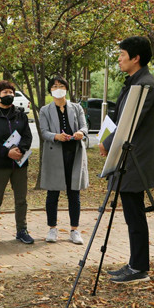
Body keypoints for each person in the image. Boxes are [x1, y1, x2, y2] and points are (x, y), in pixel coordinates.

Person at [100, 36, 154, 284]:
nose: (118, 58)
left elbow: (130, 124)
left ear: (135, 57)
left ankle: (139, 268)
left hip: (136, 162)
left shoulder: (146, 86)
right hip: (130, 159)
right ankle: (135, 263)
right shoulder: (136, 83)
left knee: (135, 214)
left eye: (122, 54)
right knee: (132, 213)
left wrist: (108, 145)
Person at [39, 75, 89, 245]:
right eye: (54, 86)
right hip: (55, 155)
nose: (58, 88)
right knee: (52, 194)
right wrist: (56, 136)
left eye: (61, 85)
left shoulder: (76, 108)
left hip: (73, 154)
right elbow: (44, 132)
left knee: (74, 194)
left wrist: (81, 133)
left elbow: (84, 126)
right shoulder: (45, 110)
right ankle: (52, 229)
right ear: (50, 90)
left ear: (66, 89)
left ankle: (74, 230)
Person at [0, 80, 34, 244]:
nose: (9, 95)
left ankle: (22, 230)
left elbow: (27, 136)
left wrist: (20, 151)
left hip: (19, 163)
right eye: (5, 93)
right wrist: (7, 152)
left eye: (11, 92)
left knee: (21, 199)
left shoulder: (21, 114)